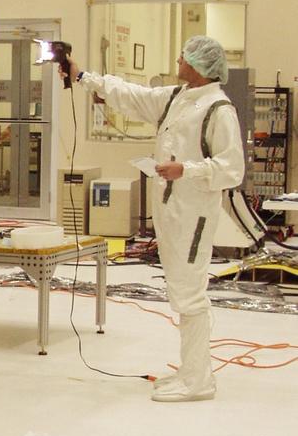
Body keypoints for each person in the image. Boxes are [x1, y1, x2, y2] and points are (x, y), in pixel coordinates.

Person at [67, 35, 244, 402]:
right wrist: (84, 77)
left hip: (193, 215)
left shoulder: (218, 109)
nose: (178, 60)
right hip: (172, 211)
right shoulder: (179, 98)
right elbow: (134, 96)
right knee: (181, 292)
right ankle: (191, 371)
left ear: (200, 65)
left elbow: (232, 169)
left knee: (190, 295)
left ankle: (198, 381)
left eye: (184, 56)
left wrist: (186, 169)